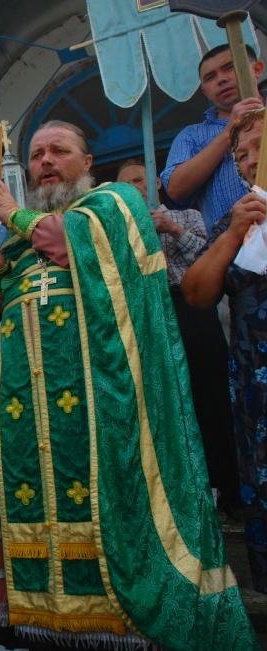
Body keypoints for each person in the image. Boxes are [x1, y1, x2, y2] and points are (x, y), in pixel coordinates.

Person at [0, 120, 256, 649]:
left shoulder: (114, 204)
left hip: (103, 401)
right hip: (29, 412)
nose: (45, 161)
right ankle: (44, 619)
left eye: (59, 150)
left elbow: (65, 242)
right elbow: (13, 301)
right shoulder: (26, 237)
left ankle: (123, 620)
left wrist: (12, 213)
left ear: (87, 161)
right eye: (36, 154)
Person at [118, 159, 239, 512]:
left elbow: (206, 255)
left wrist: (169, 227)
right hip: (150, 313)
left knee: (210, 392)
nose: (134, 189)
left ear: (156, 182)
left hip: (190, 305)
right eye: (125, 186)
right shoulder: (121, 229)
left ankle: (230, 491)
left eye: (139, 180)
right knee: (164, 397)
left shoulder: (188, 216)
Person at [182, 107, 267, 594]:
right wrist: (235, 232)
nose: (251, 161)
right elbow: (197, 293)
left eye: (259, 148)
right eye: (242, 155)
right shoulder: (236, 219)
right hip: (256, 384)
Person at [161, 44, 265, 229]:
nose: (221, 79)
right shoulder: (192, 136)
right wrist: (228, 134)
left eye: (229, 67)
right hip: (234, 250)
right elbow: (176, 189)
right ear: (205, 92)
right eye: (210, 77)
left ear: (257, 69)